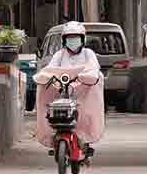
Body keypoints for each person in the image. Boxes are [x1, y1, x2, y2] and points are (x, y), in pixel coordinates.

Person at [34, 21, 104, 157]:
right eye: (69, 38)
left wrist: (85, 77)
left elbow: (93, 69)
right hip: (62, 89)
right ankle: (53, 134)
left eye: (76, 37)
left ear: (82, 39)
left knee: (85, 111)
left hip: (83, 91)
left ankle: (84, 137)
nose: (72, 41)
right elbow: (51, 69)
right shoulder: (59, 55)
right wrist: (46, 77)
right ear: (64, 40)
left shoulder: (88, 54)